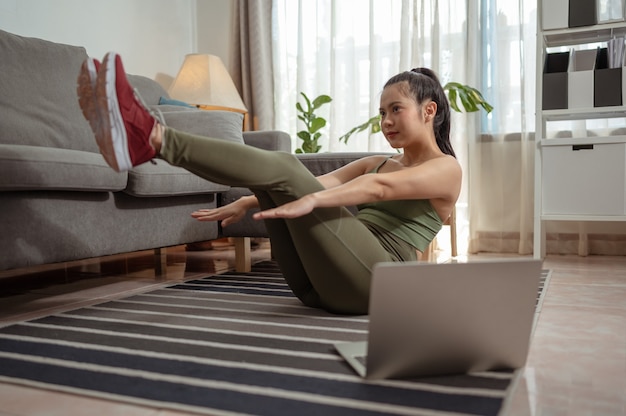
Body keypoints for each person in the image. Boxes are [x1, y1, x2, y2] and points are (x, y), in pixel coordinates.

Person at [77, 52, 462, 315]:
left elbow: (380, 190)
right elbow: (318, 183)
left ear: (429, 111)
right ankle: (141, 137)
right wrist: (250, 201)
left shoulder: (447, 169)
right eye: (381, 112)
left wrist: (310, 201)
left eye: (396, 109)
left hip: (378, 286)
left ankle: (155, 139)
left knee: (285, 170)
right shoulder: (377, 162)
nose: (386, 121)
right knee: (276, 179)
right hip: (318, 287)